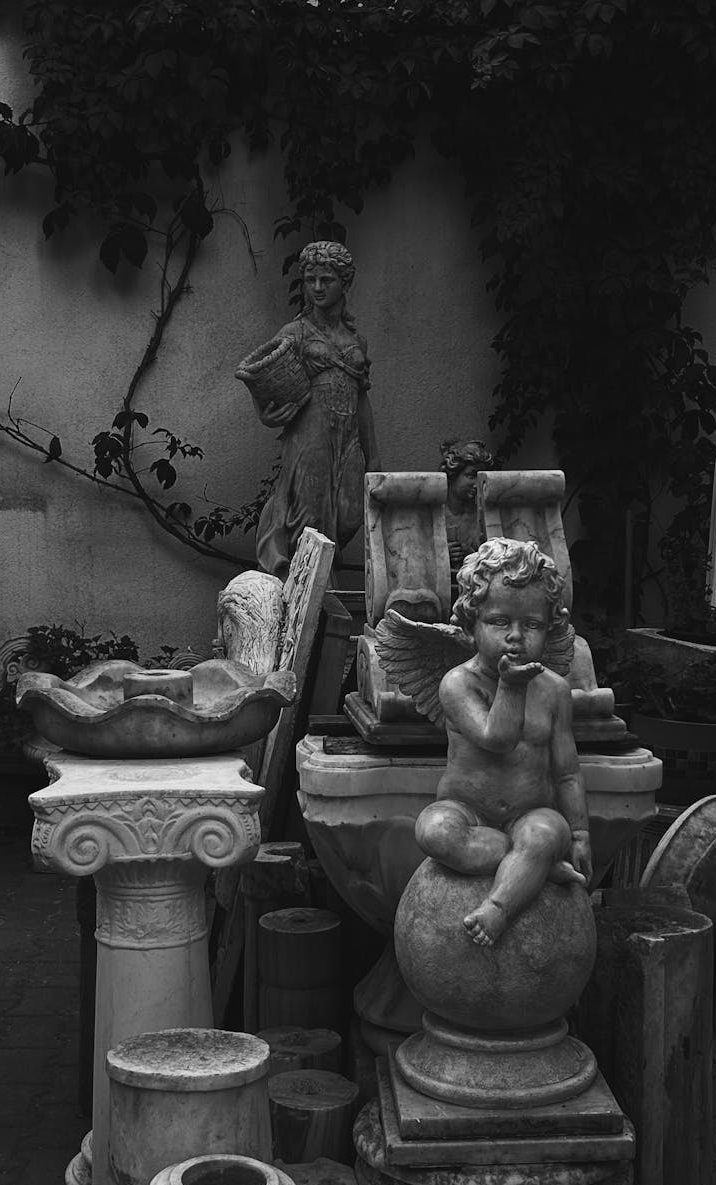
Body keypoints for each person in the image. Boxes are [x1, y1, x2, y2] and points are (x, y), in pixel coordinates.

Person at [414, 537, 592, 947]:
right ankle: (535, 866)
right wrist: (511, 685)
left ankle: (498, 907)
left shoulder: (554, 691)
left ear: (551, 628)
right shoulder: (458, 684)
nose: (515, 636)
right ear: (471, 624)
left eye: (531, 625)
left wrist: (579, 835)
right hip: (466, 812)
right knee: (434, 831)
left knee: (548, 833)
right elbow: (497, 738)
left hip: (530, 812)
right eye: (499, 622)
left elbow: (566, 773)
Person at [252, 241, 379, 578]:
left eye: (327, 280)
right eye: (311, 280)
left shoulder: (357, 340)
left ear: (345, 282)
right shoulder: (295, 333)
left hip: (349, 435)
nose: (318, 288)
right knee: (310, 521)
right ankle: (313, 593)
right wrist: (265, 414)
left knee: (350, 515)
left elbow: (362, 399)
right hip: (310, 434)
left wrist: (374, 457)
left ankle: (321, 586)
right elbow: (263, 377)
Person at [439, 437, 496, 571]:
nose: (477, 484)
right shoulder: (435, 512)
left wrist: (474, 555)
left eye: (479, 477)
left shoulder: (484, 512)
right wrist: (442, 553)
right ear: (453, 474)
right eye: (471, 476)